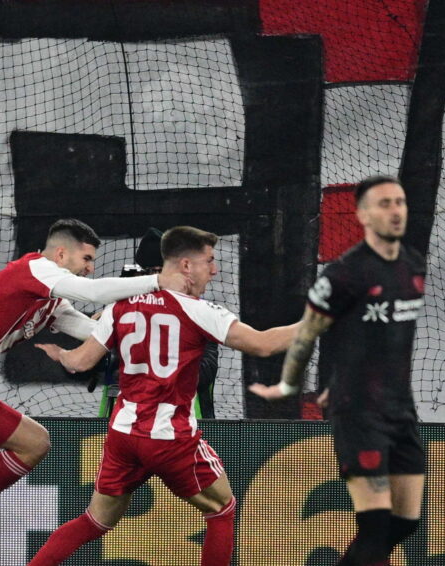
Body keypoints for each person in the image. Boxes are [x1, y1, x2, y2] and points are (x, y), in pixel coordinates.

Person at [0, 219, 168, 566]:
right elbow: (93, 292)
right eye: (86, 259)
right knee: (35, 443)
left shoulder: (50, 301)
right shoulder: (35, 269)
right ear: (61, 253)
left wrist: (136, 320)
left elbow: (93, 330)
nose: (90, 268)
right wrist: (160, 281)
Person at [28, 225, 297, 566]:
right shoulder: (198, 310)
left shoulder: (119, 307)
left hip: (124, 434)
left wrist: (61, 354)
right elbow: (265, 344)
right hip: (169, 436)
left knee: (95, 521)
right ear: (186, 265)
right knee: (222, 510)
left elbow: (81, 362)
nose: (214, 270)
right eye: (209, 261)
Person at [252, 174, 426, 566]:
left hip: (401, 409)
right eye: (384, 204)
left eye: (400, 202)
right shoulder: (343, 275)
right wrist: (289, 384)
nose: (395, 211)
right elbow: (307, 334)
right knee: (376, 524)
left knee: (406, 522)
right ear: (362, 214)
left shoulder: (414, 265)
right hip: (358, 411)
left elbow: (372, 336)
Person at [92, 228, 220, 419]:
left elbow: (204, 373)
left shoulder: (199, 314)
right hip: (124, 422)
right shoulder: (121, 313)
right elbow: (85, 369)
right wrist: (93, 332)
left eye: (162, 272)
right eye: (152, 273)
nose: (159, 281)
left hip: (186, 423)